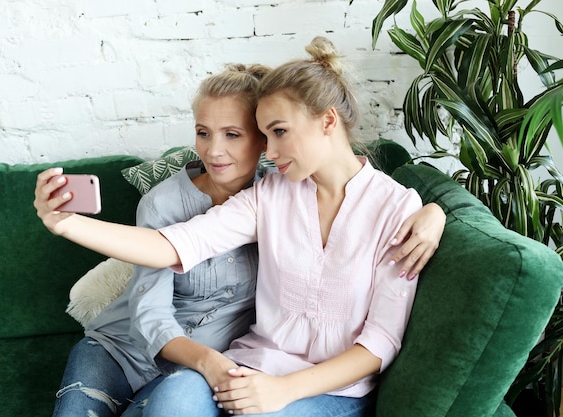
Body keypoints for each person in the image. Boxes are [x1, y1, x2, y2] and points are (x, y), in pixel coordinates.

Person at [35, 38, 445, 417]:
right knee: (173, 399)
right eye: (265, 136)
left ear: (327, 120)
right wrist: (68, 224)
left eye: (279, 132)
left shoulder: (399, 208)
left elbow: (380, 342)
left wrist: (439, 212)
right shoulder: (271, 193)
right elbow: (176, 244)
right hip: (248, 366)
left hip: (331, 391)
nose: (271, 151)